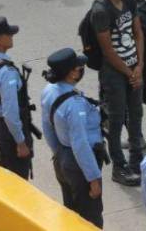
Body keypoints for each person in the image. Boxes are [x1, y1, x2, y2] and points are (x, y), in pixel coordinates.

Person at [90, 0, 146, 186]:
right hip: (114, 74)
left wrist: (139, 66)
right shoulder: (101, 10)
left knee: (136, 116)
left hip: (134, 68)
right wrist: (129, 72)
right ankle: (119, 167)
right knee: (115, 120)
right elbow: (107, 50)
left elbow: (138, 33)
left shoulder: (130, 0)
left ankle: (136, 161)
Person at [41, 47, 105, 227]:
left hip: (63, 157)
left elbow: (47, 126)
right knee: (90, 218)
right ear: (71, 73)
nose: (81, 70)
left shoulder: (49, 90)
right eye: (78, 67)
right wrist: (93, 178)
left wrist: (59, 153)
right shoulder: (74, 105)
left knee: (70, 211)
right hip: (80, 164)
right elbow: (80, 144)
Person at [0, 16, 35, 179]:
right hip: (9, 131)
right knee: (18, 180)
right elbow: (11, 113)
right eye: (7, 34)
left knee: (7, 175)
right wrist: (21, 142)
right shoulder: (7, 73)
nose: (11, 36)